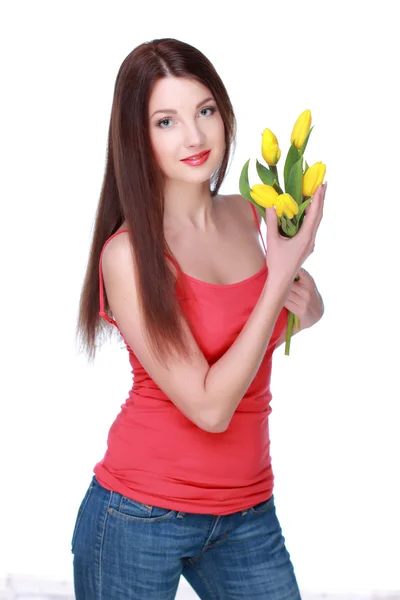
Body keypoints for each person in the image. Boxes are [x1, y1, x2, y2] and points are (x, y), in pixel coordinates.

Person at [72, 37, 327, 600]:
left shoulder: (248, 212)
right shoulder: (129, 256)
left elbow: (260, 327)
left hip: (248, 510)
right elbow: (211, 407)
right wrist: (280, 277)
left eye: (205, 111)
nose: (194, 136)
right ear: (138, 137)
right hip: (139, 515)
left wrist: (307, 309)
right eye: (166, 121)